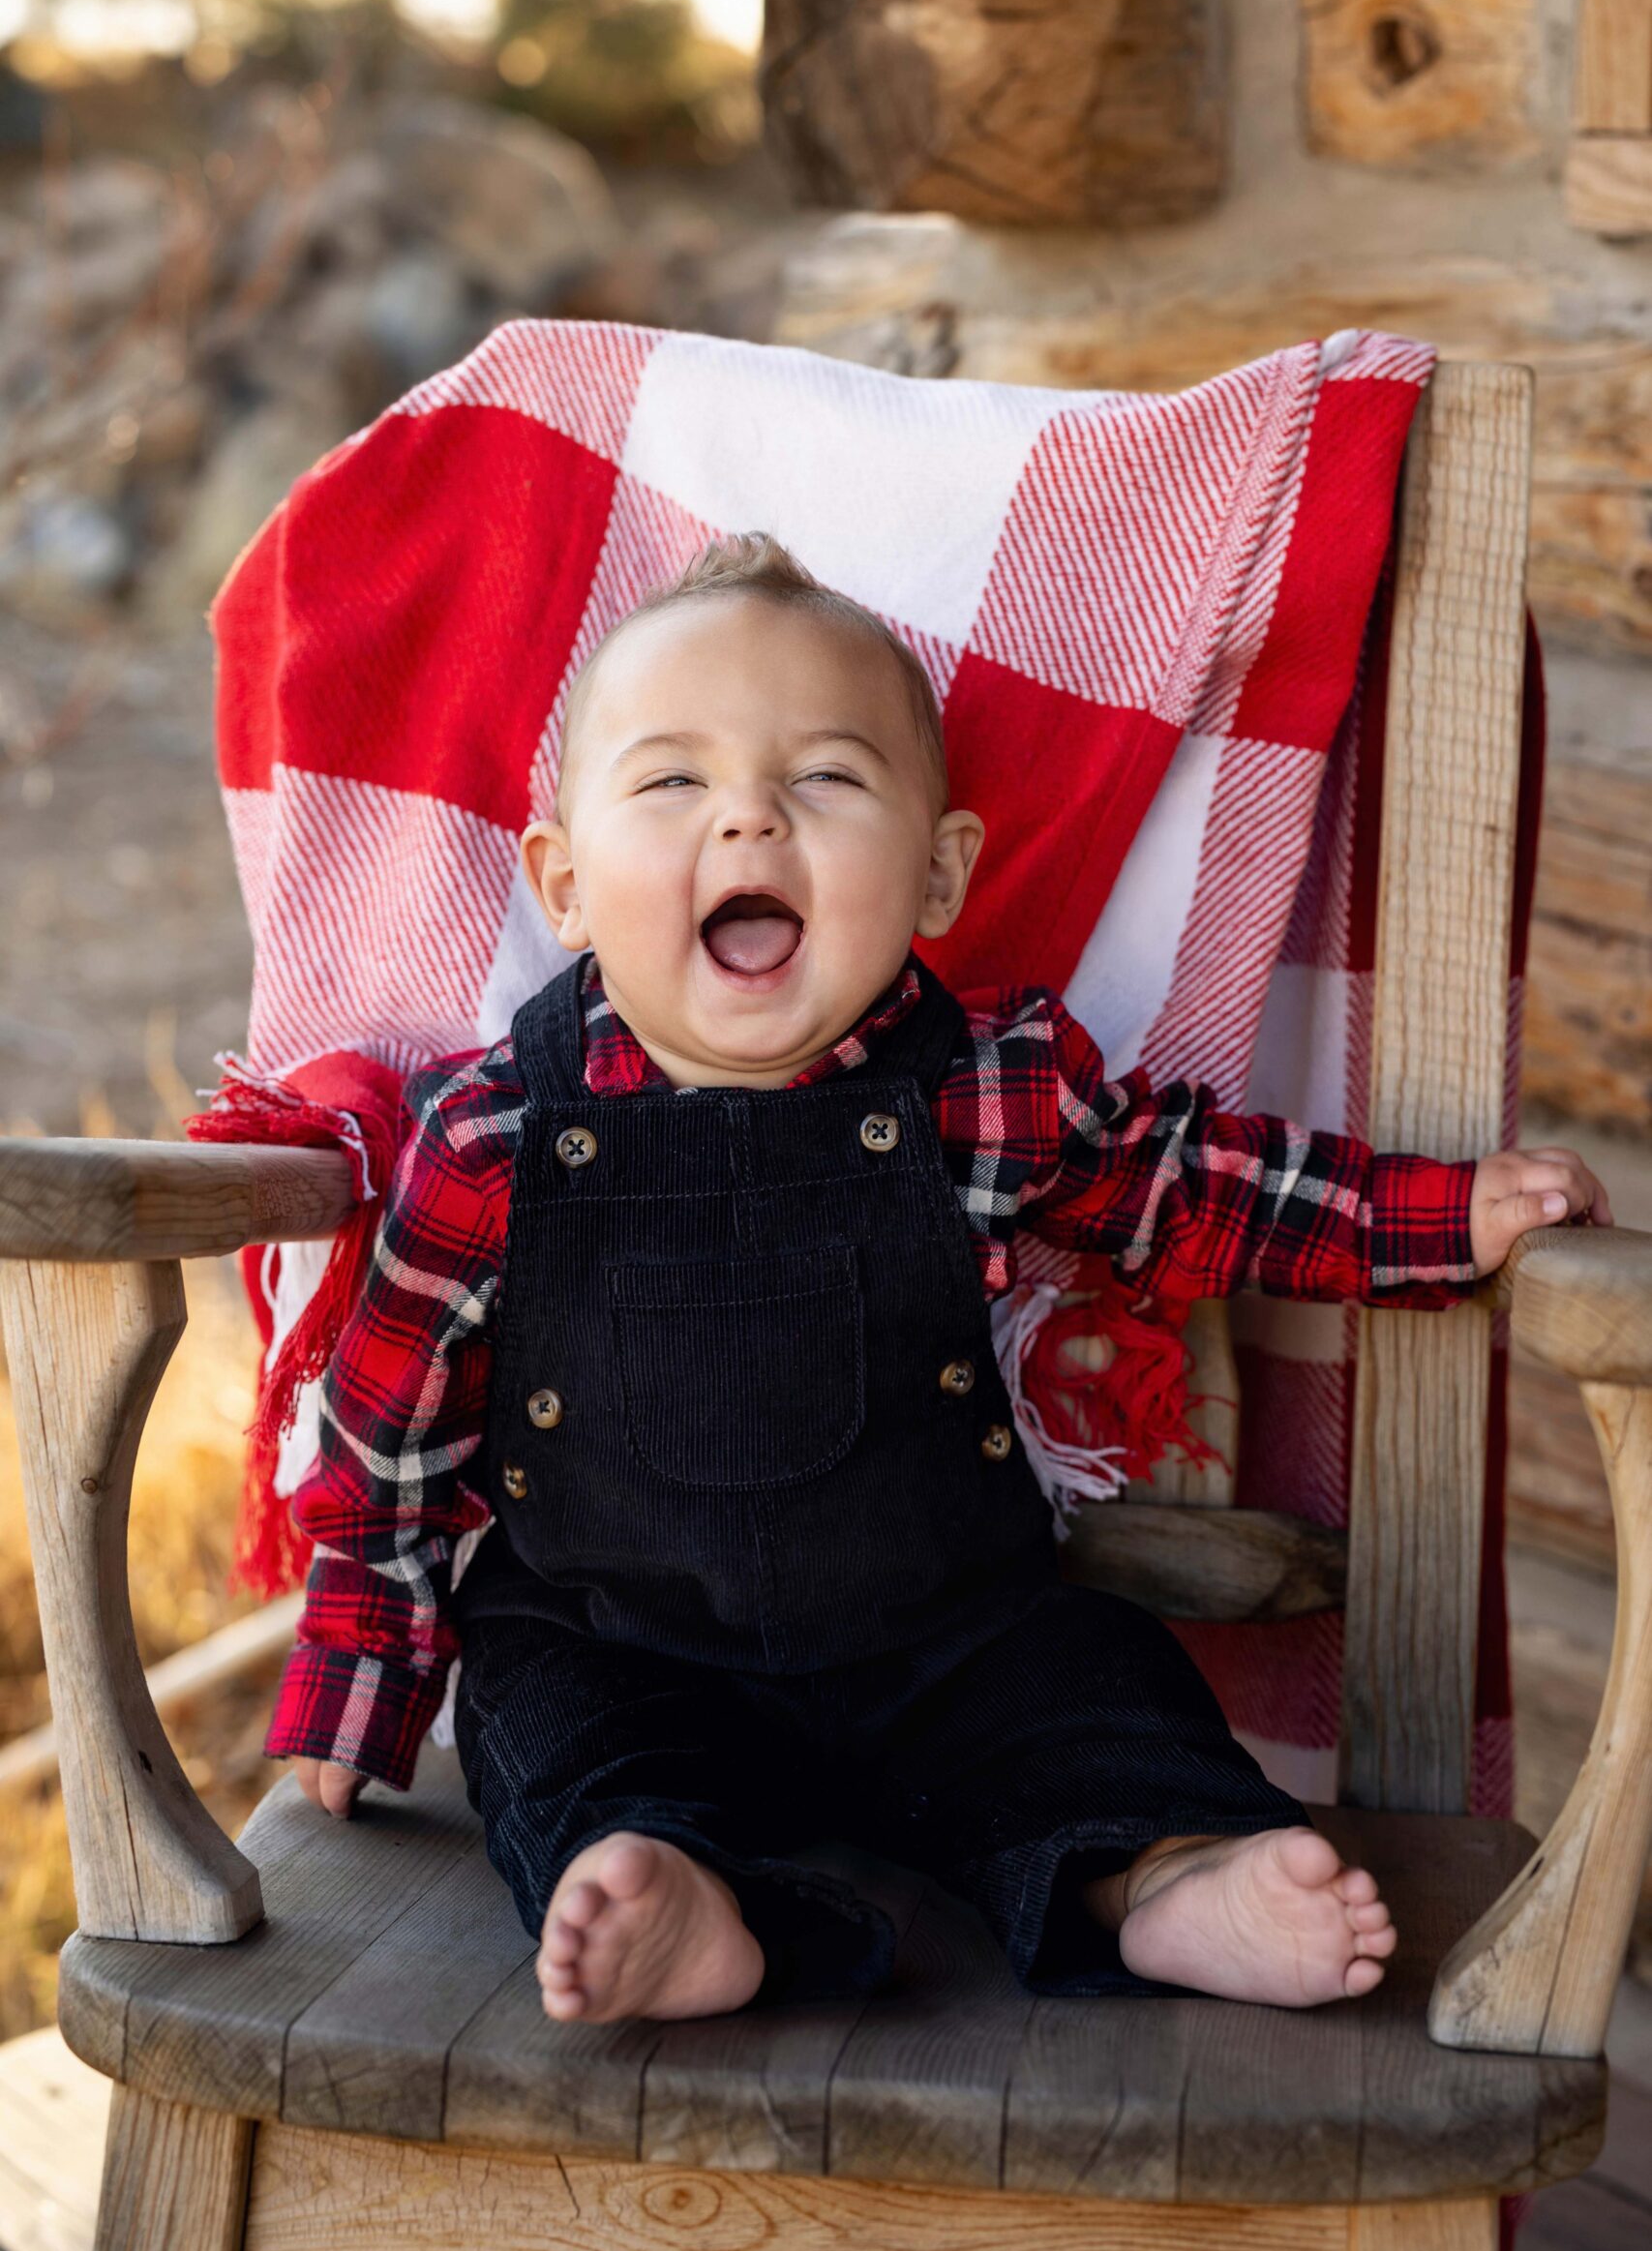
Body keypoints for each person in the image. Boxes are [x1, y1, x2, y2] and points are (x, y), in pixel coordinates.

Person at [269, 532, 1610, 2026]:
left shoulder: (985, 1089)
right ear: (566, 885)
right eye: (674, 782)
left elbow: (1198, 1191)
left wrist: (1441, 1215)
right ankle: (670, 1892)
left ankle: (1166, 1877)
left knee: (1095, 1700)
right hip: (619, 1640)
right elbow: (388, 1439)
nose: (750, 818)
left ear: (938, 869)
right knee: (556, 1738)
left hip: (948, 1639)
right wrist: (361, 1678)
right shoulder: (494, 1137)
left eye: (827, 777)